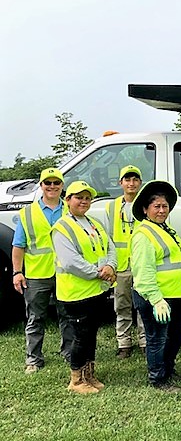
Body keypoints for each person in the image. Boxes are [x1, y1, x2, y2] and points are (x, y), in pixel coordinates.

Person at [51, 181, 117, 394]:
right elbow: (70, 262)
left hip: (96, 290)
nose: (84, 201)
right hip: (75, 293)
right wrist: (99, 273)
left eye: (87, 197)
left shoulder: (93, 223)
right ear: (67, 199)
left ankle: (89, 374)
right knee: (80, 336)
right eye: (79, 197)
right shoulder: (62, 227)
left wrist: (110, 265)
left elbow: (110, 247)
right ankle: (76, 380)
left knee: (90, 334)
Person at [12, 167, 74, 374]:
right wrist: (17, 272)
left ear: (62, 186)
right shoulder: (27, 213)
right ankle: (33, 359)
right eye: (48, 183)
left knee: (67, 315)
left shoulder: (70, 210)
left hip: (65, 273)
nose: (52, 187)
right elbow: (18, 245)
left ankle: (69, 353)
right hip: (37, 275)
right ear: (41, 186)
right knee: (36, 318)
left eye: (56, 183)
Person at [130, 180, 181, 391]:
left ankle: (167, 367)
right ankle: (158, 379)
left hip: (175, 295)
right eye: (156, 206)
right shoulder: (143, 235)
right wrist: (156, 299)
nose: (162, 210)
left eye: (165, 206)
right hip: (155, 298)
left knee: (179, 331)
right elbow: (143, 273)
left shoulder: (166, 230)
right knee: (157, 338)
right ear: (145, 210)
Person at [106, 165, 145, 358]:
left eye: (135, 179)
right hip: (121, 267)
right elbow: (108, 238)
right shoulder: (112, 206)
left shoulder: (146, 204)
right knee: (121, 305)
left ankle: (144, 341)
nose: (131, 183)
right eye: (127, 180)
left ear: (140, 182)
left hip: (142, 264)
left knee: (143, 304)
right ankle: (124, 343)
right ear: (120, 183)